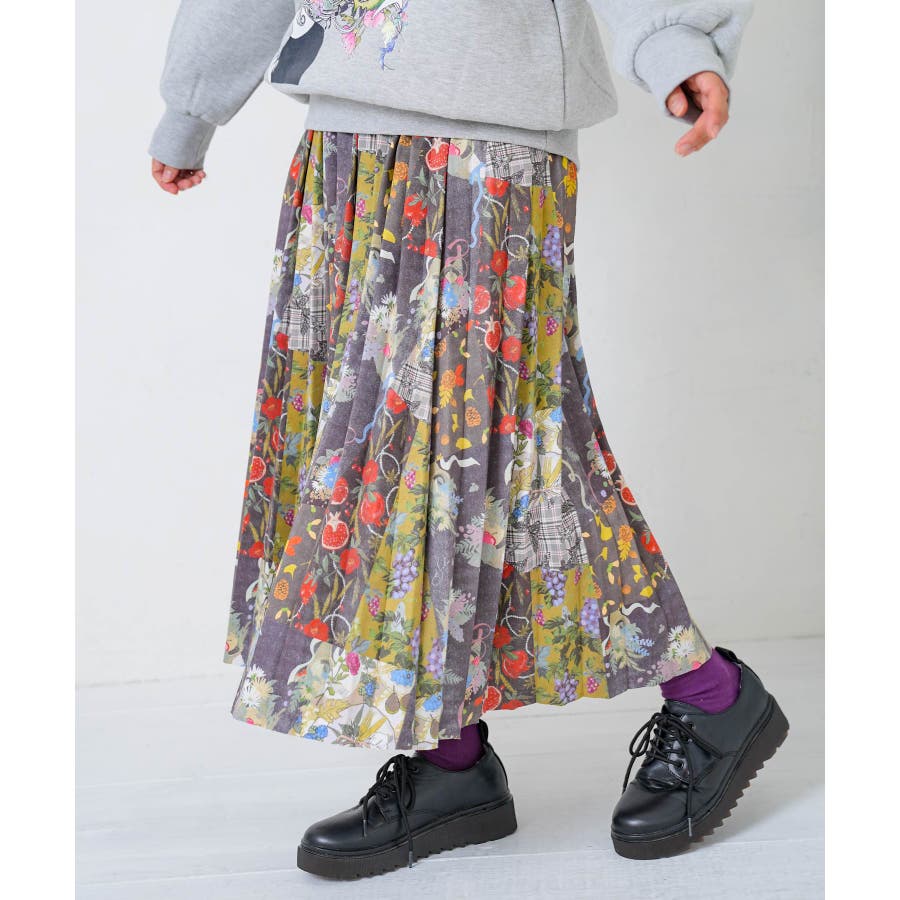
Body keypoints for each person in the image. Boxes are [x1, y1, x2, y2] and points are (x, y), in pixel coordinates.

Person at [149, 0, 788, 879]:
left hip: (493, 139)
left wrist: (674, 38)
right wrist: (193, 101)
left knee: (510, 453)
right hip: (344, 139)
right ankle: (453, 760)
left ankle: (710, 695)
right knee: (394, 467)